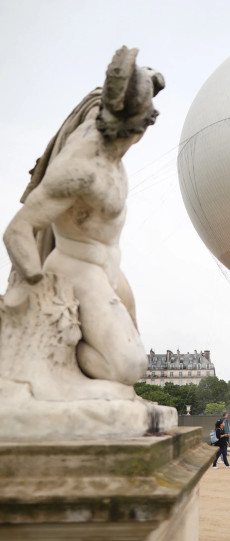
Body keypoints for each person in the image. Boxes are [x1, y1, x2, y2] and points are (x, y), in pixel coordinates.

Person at [3, 46, 165, 386]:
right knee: (128, 368)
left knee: (137, 366)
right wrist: (38, 286)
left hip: (110, 269)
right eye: (144, 124)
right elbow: (17, 230)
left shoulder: (114, 154)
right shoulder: (80, 167)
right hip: (75, 268)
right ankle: (62, 367)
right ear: (130, 126)